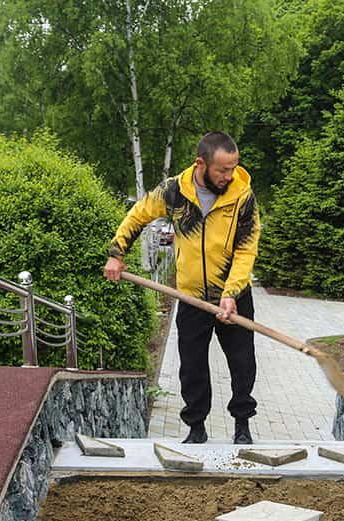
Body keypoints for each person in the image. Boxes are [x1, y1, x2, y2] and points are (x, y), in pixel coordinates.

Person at [104, 132, 260, 445]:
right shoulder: (175, 190)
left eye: (233, 168)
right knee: (192, 367)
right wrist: (116, 253)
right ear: (200, 163)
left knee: (242, 363)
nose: (229, 176)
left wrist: (231, 293)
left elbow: (246, 249)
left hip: (234, 296)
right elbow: (139, 215)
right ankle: (196, 428)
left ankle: (242, 425)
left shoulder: (243, 196)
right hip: (189, 297)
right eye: (222, 170)